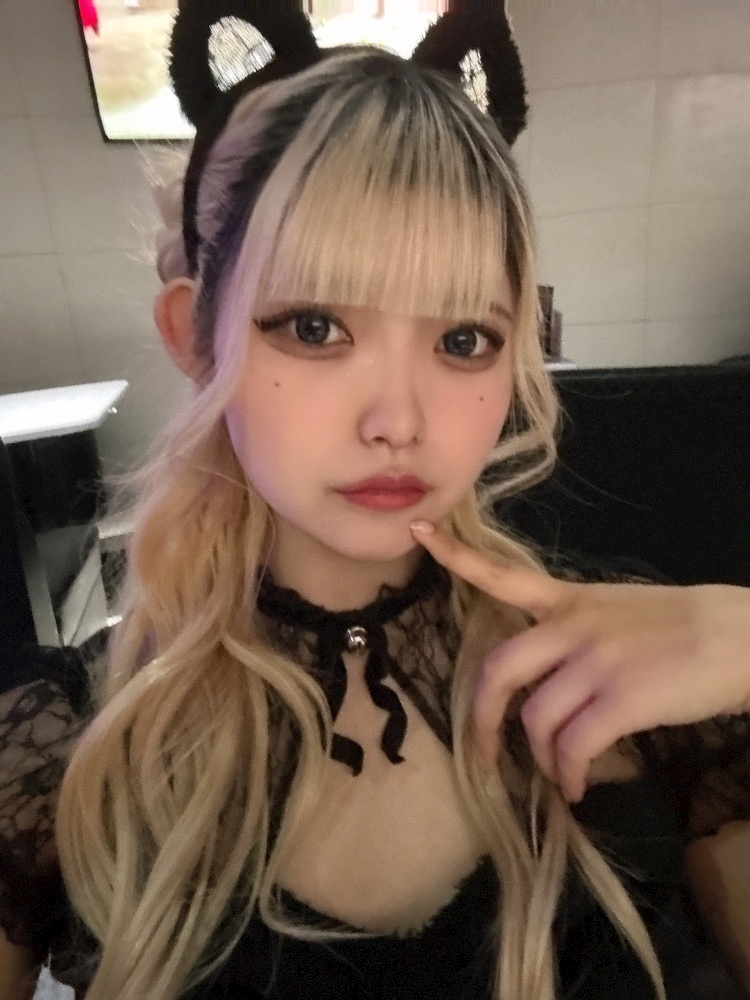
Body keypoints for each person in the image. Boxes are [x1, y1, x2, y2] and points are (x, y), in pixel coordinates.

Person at [1, 4, 749, 1000]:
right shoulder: (58, 748)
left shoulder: (645, 677)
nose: (399, 419)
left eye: (463, 340)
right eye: (315, 326)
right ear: (196, 334)